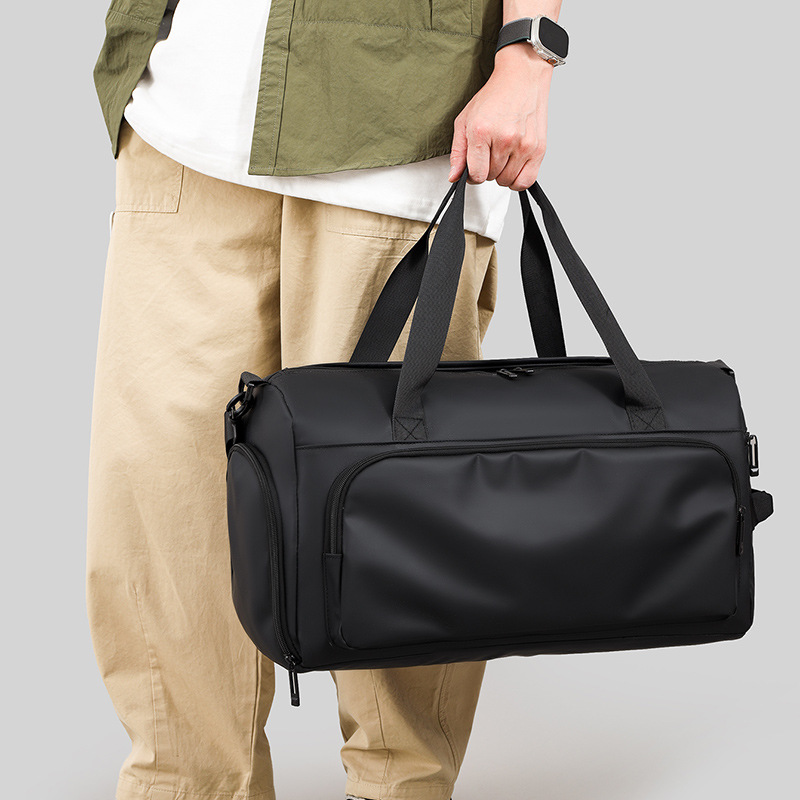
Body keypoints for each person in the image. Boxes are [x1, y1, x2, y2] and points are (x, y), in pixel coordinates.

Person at [86, 2, 563, 799]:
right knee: (163, 499)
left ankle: (401, 786)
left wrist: (529, 55)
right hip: (183, 109)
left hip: (403, 120)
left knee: (396, 505)